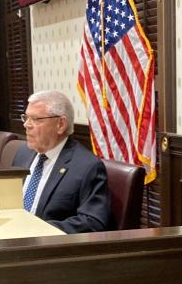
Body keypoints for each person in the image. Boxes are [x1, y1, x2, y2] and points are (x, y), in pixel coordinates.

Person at [12, 90, 112, 234]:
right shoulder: (24, 154)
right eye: (26, 118)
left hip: (46, 247)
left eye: (36, 119)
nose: (27, 125)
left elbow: (93, 221)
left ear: (60, 124)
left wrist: (36, 229)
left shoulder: (87, 167)